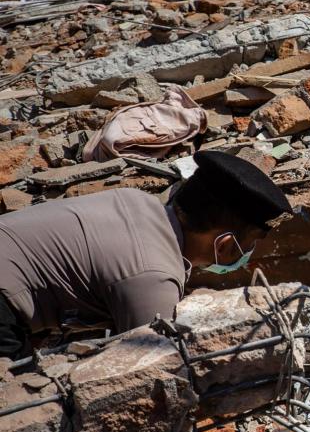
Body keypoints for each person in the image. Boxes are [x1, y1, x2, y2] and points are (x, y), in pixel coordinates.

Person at [0, 151, 292, 360]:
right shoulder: (152, 276)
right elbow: (148, 368)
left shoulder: (136, 200)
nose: (249, 252)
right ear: (226, 244)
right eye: (250, 243)